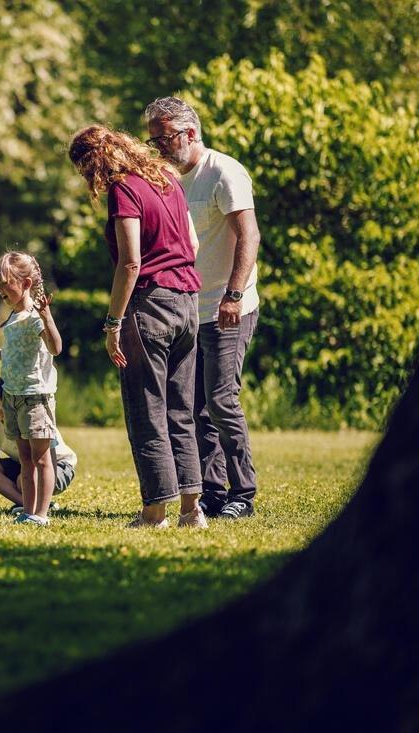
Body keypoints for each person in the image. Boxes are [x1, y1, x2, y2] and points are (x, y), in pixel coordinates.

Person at [67, 124, 207, 529]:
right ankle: (192, 510)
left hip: (150, 305)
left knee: (148, 410)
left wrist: (113, 322)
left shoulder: (124, 189)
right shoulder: (167, 177)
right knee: (181, 411)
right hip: (187, 302)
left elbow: (130, 262)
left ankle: (154, 512)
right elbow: (194, 246)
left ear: (93, 162)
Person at [144, 97, 261, 520]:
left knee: (220, 400)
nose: (157, 147)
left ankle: (242, 493)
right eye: (152, 139)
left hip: (230, 306)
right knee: (193, 407)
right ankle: (210, 491)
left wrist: (233, 295)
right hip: (190, 308)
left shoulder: (223, 172)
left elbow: (249, 236)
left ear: (190, 133)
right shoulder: (169, 179)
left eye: (164, 138)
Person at [0, 251, 63, 526]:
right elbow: (15, 356)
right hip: (12, 396)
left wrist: (47, 318)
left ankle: (41, 514)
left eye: (5, 282)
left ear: (26, 283)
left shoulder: (36, 316)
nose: (0, 288)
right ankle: (29, 509)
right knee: (25, 459)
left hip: (35, 397)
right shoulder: (13, 318)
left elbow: (55, 348)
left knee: (42, 458)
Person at [0, 378, 77, 514]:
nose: (0, 413)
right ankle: (25, 503)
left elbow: (47, 462)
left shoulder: (36, 423)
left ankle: (37, 507)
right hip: (25, 468)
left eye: (4, 406)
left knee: (23, 480)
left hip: (57, 466)